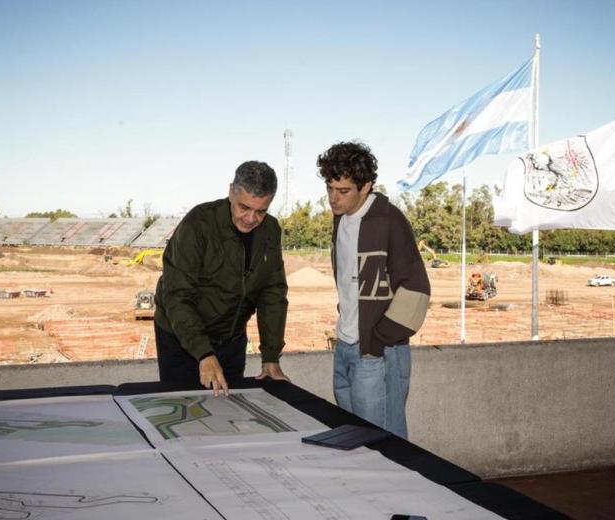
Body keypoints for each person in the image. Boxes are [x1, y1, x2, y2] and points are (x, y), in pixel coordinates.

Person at [317, 141, 430, 439]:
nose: (333, 199)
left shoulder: (389, 220)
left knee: (383, 445)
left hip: (378, 352)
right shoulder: (340, 220)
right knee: (354, 440)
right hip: (345, 346)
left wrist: (377, 341)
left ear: (366, 186)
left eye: (343, 192)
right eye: (330, 189)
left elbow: (416, 289)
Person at [154, 161, 290, 396]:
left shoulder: (270, 231)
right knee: (186, 412)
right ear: (231, 192)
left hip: (231, 339)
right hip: (182, 339)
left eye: (261, 211)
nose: (250, 219)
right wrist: (203, 353)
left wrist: (270, 357)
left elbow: (273, 295)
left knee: (227, 413)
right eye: (244, 207)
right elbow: (177, 295)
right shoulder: (198, 224)